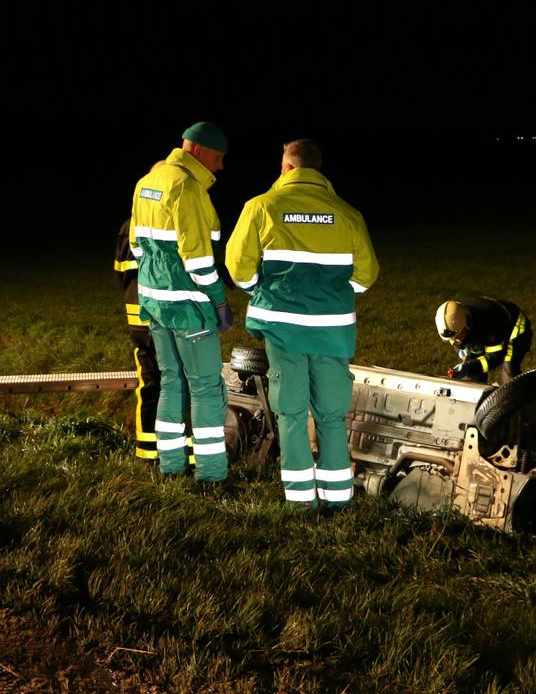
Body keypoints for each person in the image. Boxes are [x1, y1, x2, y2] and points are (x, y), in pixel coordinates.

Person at [225, 138, 379, 509]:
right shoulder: (347, 213)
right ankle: (338, 500)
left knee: (291, 413)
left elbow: (238, 268)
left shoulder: (262, 207)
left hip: (284, 330)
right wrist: (330, 296)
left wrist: (262, 289)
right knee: (330, 413)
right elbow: (366, 276)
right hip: (332, 331)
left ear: (288, 168)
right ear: (317, 169)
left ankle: (300, 502)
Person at [130, 122, 232, 482]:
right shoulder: (187, 188)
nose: (220, 167)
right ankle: (212, 475)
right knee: (206, 387)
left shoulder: (148, 181)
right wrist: (218, 300)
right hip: (190, 305)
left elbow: (136, 247)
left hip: (155, 303)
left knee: (172, 382)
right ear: (199, 151)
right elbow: (199, 259)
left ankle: (171, 467)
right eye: (218, 158)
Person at [113, 215, 159, 461]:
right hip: (170, 316)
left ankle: (147, 451)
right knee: (179, 383)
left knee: (150, 383)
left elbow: (120, 273)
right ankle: (183, 452)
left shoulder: (127, 226)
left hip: (138, 317)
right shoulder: (170, 217)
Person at [434, 297, 532, 384]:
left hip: (514, 329)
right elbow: (457, 337)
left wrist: (469, 367)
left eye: (457, 336)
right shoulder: (457, 315)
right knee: (472, 378)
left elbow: (495, 358)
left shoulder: (490, 326)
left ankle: (518, 399)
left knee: (509, 373)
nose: (455, 341)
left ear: (467, 325)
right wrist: (461, 351)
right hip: (480, 328)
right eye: (451, 339)